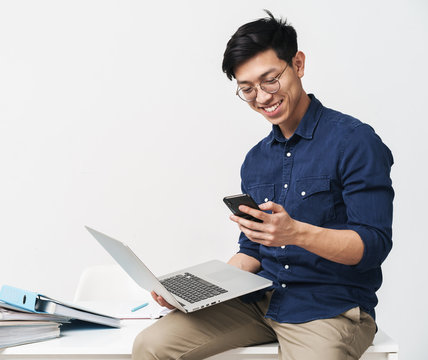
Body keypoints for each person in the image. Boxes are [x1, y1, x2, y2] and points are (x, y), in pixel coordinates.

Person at [131, 10, 394, 360]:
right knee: (150, 345)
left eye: (270, 79)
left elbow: (373, 245)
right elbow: (251, 252)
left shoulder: (355, 141)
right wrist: (197, 291)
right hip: (260, 302)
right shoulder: (256, 160)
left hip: (329, 307)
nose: (262, 96)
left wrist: (296, 233)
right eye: (247, 88)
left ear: (297, 64)